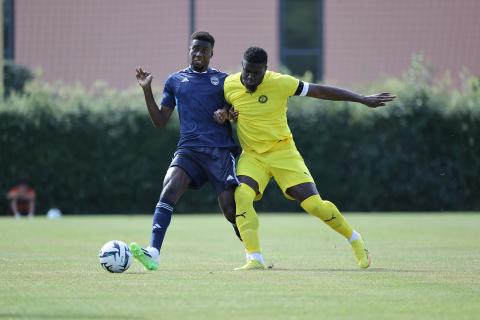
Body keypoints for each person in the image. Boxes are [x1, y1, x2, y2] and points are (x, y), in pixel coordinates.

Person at [214, 47, 395, 270]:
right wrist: (225, 113)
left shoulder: (281, 83)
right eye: (247, 72)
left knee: (313, 205)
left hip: (283, 152)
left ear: (266, 70)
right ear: (242, 66)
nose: (250, 77)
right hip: (252, 156)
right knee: (242, 195)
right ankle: (254, 258)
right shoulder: (229, 84)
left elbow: (319, 91)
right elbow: (227, 106)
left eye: (256, 73)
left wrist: (361, 99)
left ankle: (355, 239)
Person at [130, 31, 241, 271]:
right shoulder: (175, 81)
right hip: (188, 150)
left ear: (212, 54)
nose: (198, 53)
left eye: (204, 50)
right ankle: (153, 252)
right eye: (195, 49)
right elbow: (160, 121)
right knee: (168, 189)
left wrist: (226, 113)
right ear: (189, 51)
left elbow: (235, 110)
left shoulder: (225, 80)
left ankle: (253, 252)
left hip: (219, 151)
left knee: (232, 212)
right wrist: (147, 91)